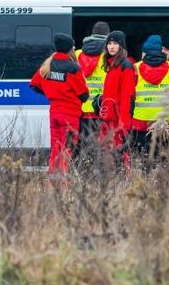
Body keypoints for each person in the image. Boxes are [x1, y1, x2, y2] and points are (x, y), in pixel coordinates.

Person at [29, 33, 89, 173]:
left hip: (54, 113)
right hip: (70, 115)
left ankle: (52, 180)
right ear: (69, 48)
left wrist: (52, 93)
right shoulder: (73, 68)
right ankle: (63, 182)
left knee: (55, 149)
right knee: (67, 150)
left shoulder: (48, 64)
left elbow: (34, 84)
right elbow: (84, 95)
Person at [130, 34, 169, 163]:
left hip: (141, 119)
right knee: (163, 157)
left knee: (142, 158)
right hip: (165, 121)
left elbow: (131, 93)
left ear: (144, 52)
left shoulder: (135, 67)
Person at [98, 30, 136, 168]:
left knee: (120, 156)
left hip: (119, 120)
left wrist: (123, 124)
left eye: (115, 43)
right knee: (108, 155)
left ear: (121, 46)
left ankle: (122, 179)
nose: (111, 47)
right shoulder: (112, 65)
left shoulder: (125, 66)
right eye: (109, 43)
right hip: (108, 118)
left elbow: (127, 96)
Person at [76, 21, 110, 158]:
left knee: (81, 147)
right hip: (101, 109)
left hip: (81, 109)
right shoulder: (109, 55)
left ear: (91, 34)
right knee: (101, 149)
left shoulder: (77, 54)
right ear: (107, 35)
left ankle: (82, 169)